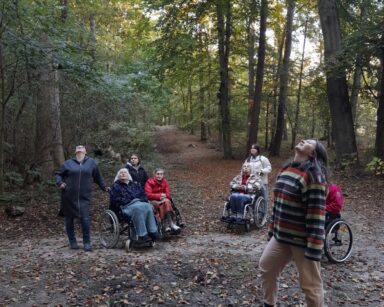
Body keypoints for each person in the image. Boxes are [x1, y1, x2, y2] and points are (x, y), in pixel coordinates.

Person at [259, 139, 328, 307]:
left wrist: (314, 249)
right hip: (281, 236)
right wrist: (272, 230)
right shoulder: (287, 169)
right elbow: (277, 204)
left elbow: (316, 215)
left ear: (313, 153)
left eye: (310, 142)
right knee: (266, 268)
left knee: (310, 286)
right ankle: (269, 303)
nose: (304, 140)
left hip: (302, 241)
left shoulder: (313, 176)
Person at [55, 145, 109, 252]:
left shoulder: (91, 163)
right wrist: (60, 183)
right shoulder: (68, 163)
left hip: (84, 196)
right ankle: (72, 241)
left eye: (81, 150)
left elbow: (98, 177)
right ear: (75, 152)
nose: (80, 152)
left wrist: (104, 187)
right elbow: (58, 174)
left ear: (85, 152)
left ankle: (87, 243)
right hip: (69, 196)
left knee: (85, 219)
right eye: (78, 151)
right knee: (69, 219)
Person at [110, 168, 159, 242]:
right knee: (138, 208)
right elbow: (115, 199)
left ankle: (153, 231)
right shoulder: (115, 186)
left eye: (125, 172)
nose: (123, 174)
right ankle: (142, 234)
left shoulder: (134, 184)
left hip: (138, 203)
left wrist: (143, 200)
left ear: (128, 175)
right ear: (118, 175)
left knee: (148, 206)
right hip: (125, 206)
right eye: (121, 173)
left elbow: (143, 194)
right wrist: (130, 200)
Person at [145, 168, 180, 232]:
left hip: (164, 200)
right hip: (153, 201)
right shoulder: (149, 182)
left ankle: (168, 224)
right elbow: (147, 194)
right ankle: (168, 224)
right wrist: (159, 196)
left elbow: (168, 194)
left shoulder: (165, 182)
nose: (159, 176)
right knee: (164, 203)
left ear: (163, 175)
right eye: (158, 174)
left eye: (161, 174)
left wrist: (164, 196)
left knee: (166, 202)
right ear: (154, 174)